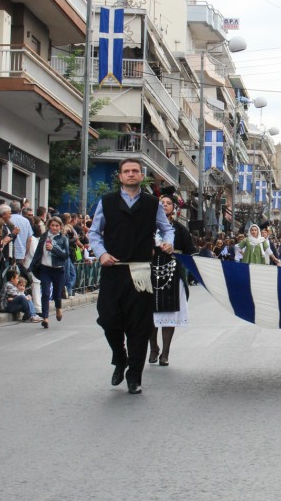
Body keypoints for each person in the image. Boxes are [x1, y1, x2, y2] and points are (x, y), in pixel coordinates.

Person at [88, 158, 176, 395]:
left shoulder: (152, 203)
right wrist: (101, 253)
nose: (130, 174)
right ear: (120, 176)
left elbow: (166, 228)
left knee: (139, 325)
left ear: (141, 175)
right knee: (108, 319)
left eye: (135, 171)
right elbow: (94, 233)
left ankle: (134, 376)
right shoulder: (106, 202)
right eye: (126, 171)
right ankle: (120, 357)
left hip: (140, 271)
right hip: (113, 269)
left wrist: (168, 242)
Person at [150, 188, 198, 367]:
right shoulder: (149, 226)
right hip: (150, 273)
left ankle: (165, 353)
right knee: (150, 313)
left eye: (168, 203)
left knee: (169, 313)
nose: (164, 205)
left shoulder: (180, 229)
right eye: (161, 203)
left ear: (174, 208)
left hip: (172, 273)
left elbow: (191, 250)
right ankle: (153, 347)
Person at [30, 216, 71, 329]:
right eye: (52, 225)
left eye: (57, 226)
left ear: (60, 227)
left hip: (58, 269)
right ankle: (45, 318)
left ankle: (58, 308)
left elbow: (65, 255)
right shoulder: (44, 236)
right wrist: (31, 266)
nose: (54, 228)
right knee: (46, 293)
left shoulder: (63, 239)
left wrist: (54, 248)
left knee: (57, 294)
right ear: (49, 226)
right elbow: (38, 252)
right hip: (45, 269)